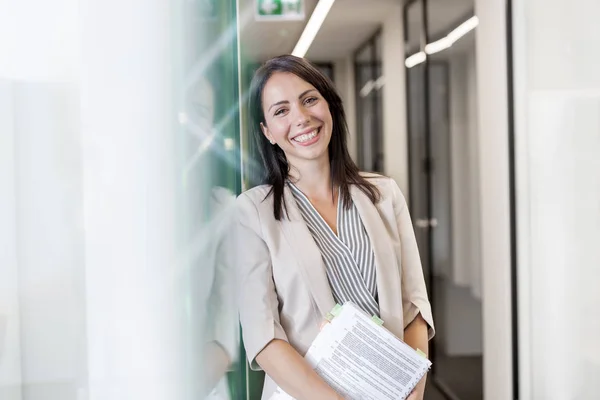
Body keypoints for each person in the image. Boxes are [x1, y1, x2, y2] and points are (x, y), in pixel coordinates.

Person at [235, 55, 434, 400]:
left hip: (388, 391)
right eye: (281, 111)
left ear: (329, 105)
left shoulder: (383, 194)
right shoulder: (253, 212)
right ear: (266, 131)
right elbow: (263, 335)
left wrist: (412, 391)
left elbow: (413, 307)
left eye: (309, 99)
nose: (301, 117)